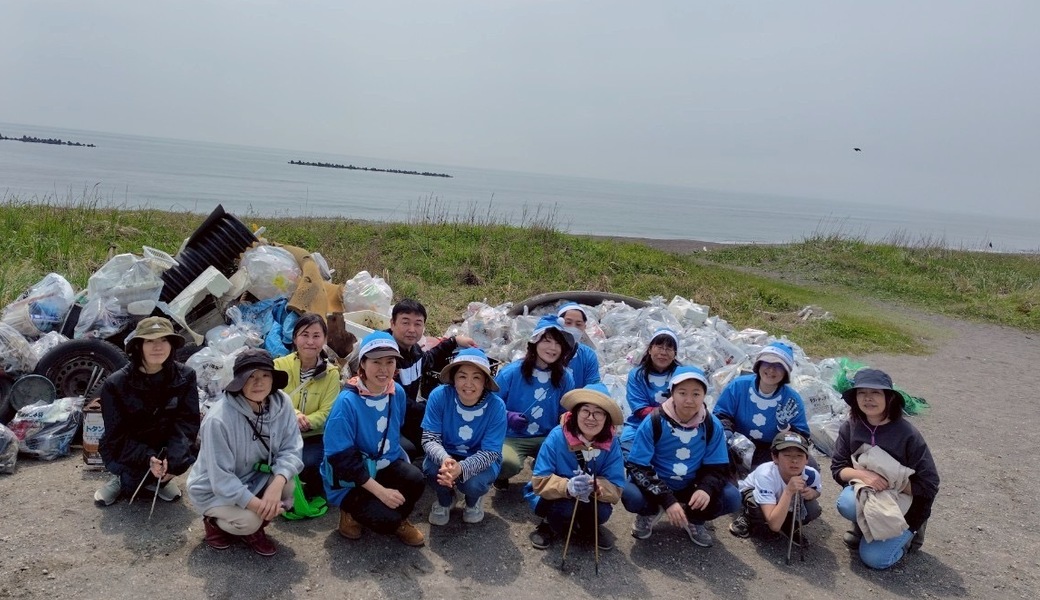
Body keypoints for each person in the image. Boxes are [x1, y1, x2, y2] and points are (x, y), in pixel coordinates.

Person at [186, 349, 303, 556]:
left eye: (265, 375)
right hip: (213, 489)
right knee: (251, 521)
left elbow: (292, 447)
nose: (259, 382)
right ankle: (214, 523)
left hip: (255, 476)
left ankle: (251, 521)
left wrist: (275, 487)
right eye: (251, 376)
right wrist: (260, 506)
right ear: (239, 382)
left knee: (287, 483)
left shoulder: (282, 402)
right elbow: (221, 479)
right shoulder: (218, 420)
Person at [322, 331, 426, 546]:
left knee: (416, 480)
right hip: (351, 476)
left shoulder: (395, 391)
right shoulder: (347, 403)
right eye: (376, 362)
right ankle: (350, 512)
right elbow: (340, 458)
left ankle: (398, 520)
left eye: (390, 362)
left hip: (384, 463)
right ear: (362, 364)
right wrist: (381, 492)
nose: (383, 369)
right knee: (384, 520)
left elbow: (409, 420)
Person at [831, 369, 939, 570]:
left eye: (876, 393)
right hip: (870, 494)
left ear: (889, 398)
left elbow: (930, 485)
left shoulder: (907, 434)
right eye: (862, 392)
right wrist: (864, 474)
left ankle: (907, 537)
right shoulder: (851, 426)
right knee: (846, 503)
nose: (868, 398)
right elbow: (838, 468)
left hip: (904, 504)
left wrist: (892, 481)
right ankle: (864, 529)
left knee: (875, 560)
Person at [622, 366, 741, 547]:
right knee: (630, 495)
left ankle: (694, 519)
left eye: (696, 394)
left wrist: (705, 489)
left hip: (691, 484)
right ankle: (650, 511)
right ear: (672, 393)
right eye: (682, 393)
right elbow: (638, 465)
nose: (689, 400)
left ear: (704, 395)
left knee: (731, 497)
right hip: (657, 483)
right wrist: (667, 500)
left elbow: (718, 466)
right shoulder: (654, 420)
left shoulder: (711, 424)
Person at [95, 317, 200, 507]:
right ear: (138, 346)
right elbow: (115, 432)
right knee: (130, 484)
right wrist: (146, 457)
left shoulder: (186, 376)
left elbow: (188, 422)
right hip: (131, 444)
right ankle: (121, 479)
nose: (157, 347)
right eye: (150, 341)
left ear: (172, 345)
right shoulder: (115, 384)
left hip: (165, 441)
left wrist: (173, 456)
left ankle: (161, 480)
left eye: (164, 340)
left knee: (185, 453)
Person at [526, 387, 626, 551]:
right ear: (576, 413)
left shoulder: (612, 442)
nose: (591, 418)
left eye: (598, 413)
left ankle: (588, 526)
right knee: (563, 509)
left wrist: (599, 488)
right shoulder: (557, 436)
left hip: (591, 499)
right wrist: (567, 486)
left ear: (606, 418)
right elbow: (539, 481)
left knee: (601, 512)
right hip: (557, 498)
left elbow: (616, 486)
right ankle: (548, 525)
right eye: (585, 411)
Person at [422, 348, 507, 526]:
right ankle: (445, 501)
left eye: (476, 377)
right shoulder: (439, 396)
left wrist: (461, 468)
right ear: (453, 379)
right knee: (431, 469)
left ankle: (473, 501)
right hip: (446, 453)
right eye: (462, 376)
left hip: (479, 457)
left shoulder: (496, 406)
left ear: (486, 381)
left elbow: (491, 452)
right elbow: (429, 438)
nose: (468, 383)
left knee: (473, 484)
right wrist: (445, 460)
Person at [493, 315, 577, 489]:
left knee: (567, 459)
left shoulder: (565, 377)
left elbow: (566, 411)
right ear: (535, 342)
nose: (553, 348)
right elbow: (490, 404)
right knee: (506, 463)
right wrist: (507, 416)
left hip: (547, 436)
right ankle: (500, 476)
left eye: (558, 343)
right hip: (511, 436)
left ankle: (542, 469)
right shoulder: (511, 372)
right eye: (547, 341)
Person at [387, 299, 477, 459]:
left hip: (406, 415)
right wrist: (430, 409)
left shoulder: (413, 350)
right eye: (405, 323)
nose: (411, 329)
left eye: (418, 324)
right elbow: (394, 398)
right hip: (386, 419)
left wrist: (453, 341)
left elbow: (428, 360)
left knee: (440, 438)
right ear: (392, 324)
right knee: (418, 447)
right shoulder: (386, 355)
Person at [713, 342, 814, 470]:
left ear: (786, 372)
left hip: (773, 452)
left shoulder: (792, 399)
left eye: (779, 366)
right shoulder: (738, 386)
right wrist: (728, 435)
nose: (771, 370)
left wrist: (786, 429)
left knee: (810, 465)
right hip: (736, 446)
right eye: (767, 363)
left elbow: (802, 436)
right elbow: (720, 415)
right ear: (758, 364)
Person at [274, 313, 341, 499]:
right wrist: (293, 414)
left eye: (316, 336)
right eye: (305, 335)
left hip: (312, 435)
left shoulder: (331, 374)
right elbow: (271, 399)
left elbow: (327, 411)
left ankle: (314, 489)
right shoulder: (279, 365)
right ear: (295, 338)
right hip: (280, 433)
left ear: (325, 339)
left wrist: (305, 422)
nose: (310, 341)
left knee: (307, 464)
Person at [729, 431, 823, 542]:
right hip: (754, 494)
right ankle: (749, 518)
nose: (794, 461)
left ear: (807, 459)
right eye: (787, 455)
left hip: (781, 501)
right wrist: (788, 491)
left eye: (800, 456)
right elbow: (774, 525)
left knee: (813, 509)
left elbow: (817, 491)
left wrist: (812, 494)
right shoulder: (765, 474)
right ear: (775, 457)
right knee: (757, 508)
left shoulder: (811, 474)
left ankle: (788, 525)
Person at [619, 328, 682, 455]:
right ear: (650, 349)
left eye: (669, 349)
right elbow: (640, 409)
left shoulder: (682, 375)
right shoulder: (637, 375)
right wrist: (672, 412)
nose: (663, 353)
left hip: (676, 427)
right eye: (659, 347)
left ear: (675, 353)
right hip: (640, 425)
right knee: (629, 453)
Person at [556, 302, 602, 388]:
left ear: (584, 327)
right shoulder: (548, 351)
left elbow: (594, 385)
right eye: (568, 323)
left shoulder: (588, 355)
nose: (573, 328)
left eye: (578, 324)